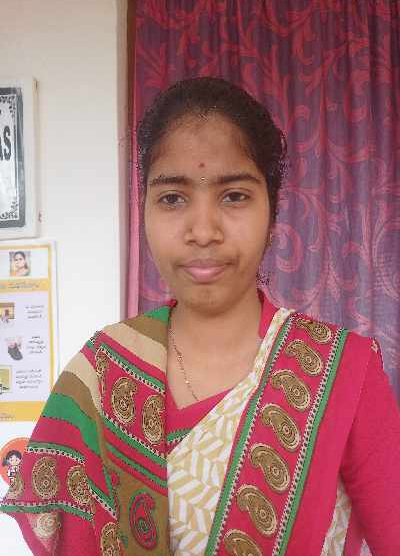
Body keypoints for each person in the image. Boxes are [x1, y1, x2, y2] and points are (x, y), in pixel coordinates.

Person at [1, 77, 399, 555]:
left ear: (272, 214)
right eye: (172, 197)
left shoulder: (343, 372)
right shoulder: (102, 373)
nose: (204, 230)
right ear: (144, 211)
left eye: (235, 196)